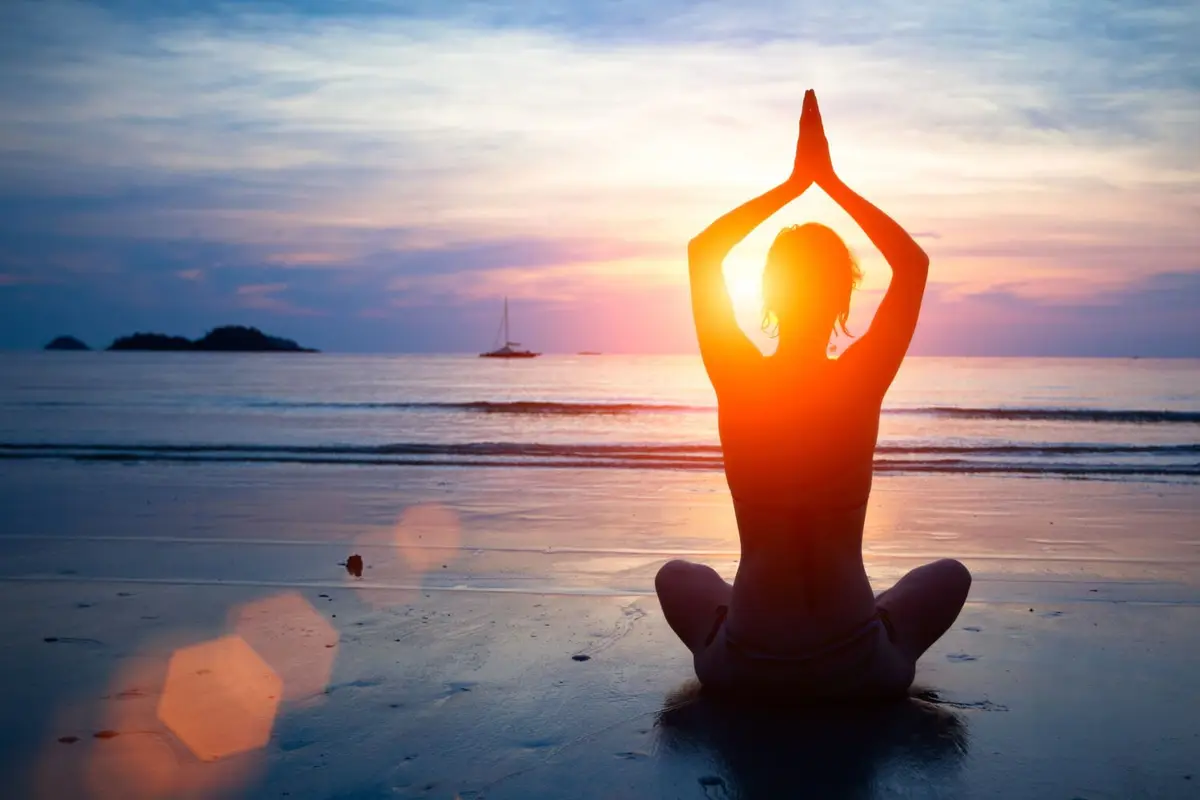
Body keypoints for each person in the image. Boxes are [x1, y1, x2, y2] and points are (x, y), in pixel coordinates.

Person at [656, 89, 971, 700]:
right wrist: (830, 181)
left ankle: (735, 627)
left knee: (678, 576)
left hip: (745, 669)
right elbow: (912, 264)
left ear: (768, 296)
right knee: (949, 575)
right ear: (843, 299)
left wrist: (793, 183)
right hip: (855, 670)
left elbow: (703, 254)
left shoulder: (737, 374)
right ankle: (879, 624)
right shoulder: (860, 379)